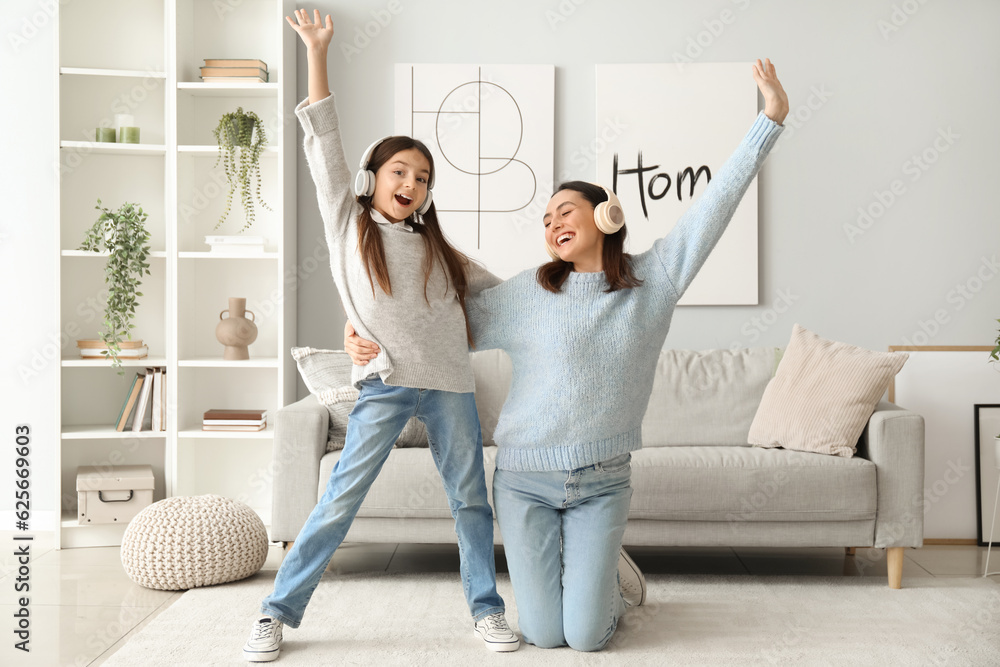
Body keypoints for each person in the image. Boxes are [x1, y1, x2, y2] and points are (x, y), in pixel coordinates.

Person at [346, 58, 789, 651]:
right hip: (523, 479)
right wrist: (358, 335)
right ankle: (585, 573)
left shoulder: (652, 282)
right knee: (543, 635)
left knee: (586, 637)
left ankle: (603, 575)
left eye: (566, 211)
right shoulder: (528, 291)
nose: (552, 222)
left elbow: (716, 208)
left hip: (602, 482)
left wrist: (769, 120)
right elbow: (432, 318)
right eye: (547, 216)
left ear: (606, 217)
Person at [242, 9, 517, 662]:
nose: (412, 184)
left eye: (421, 178)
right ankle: (274, 613)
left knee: (471, 502)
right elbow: (325, 137)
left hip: (451, 385)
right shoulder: (347, 219)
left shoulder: (442, 252)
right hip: (385, 384)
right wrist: (316, 51)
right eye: (400, 171)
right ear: (372, 177)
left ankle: (487, 609)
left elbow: (507, 297)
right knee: (338, 502)